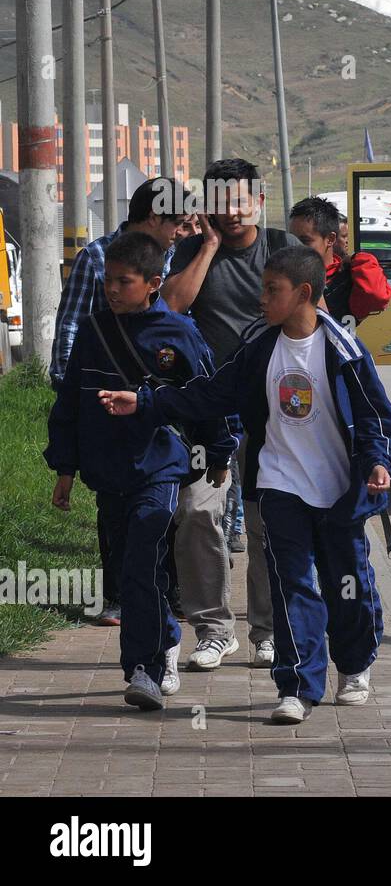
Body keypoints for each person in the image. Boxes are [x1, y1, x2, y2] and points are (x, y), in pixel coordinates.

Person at [100, 246, 391, 724]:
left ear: (303, 293)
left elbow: (375, 417)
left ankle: (356, 663)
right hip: (281, 486)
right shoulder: (260, 347)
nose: (261, 299)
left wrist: (380, 463)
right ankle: (297, 688)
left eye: (271, 290)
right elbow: (211, 393)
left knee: (347, 586)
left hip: (341, 492)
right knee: (292, 585)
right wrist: (146, 402)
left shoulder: (343, 349)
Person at [46, 232, 238, 711]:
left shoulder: (179, 334)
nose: (112, 289)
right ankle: (165, 639)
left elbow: (207, 398)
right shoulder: (93, 332)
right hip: (107, 474)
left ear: (153, 283)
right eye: (108, 280)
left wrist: (219, 451)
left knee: (141, 566)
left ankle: (145, 669)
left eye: (123, 281)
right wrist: (64, 468)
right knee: (131, 570)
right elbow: (69, 403)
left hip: (160, 470)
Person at [162, 158, 289, 672]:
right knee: (195, 513)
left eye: (242, 201)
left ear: (259, 200)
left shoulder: (283, 249)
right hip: (208, 410)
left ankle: (266, 631)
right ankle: (214, 630)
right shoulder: (194, 250)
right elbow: (170, 307)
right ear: (207, 207)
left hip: (272, 410)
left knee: (264, 523)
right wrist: (209, 248)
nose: (233, 212)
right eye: (222, 202)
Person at [50, 177, 193, 626]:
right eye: (178, 223)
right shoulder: (96, 257)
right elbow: (72, 323)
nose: (181, 232)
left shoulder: (173, 261)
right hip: (103, 399)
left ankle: (162, 594)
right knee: (113, 501)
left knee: (160, 503)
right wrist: (68, 386)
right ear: (154, 217)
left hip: (158, 406)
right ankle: (117, 596)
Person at [288, 196, 391, 324]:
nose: (296, 247)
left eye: (305, 241)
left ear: (330, 239)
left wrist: (359, 259)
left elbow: (376, 296)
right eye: (291, 239)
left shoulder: (347, 278)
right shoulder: (282, 276)